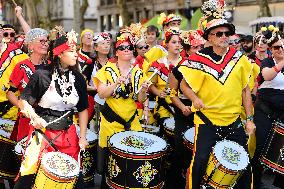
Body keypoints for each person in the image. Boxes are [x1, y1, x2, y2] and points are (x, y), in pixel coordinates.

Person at [179, 1, 255, 188]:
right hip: (207, 121)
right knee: (199, 163)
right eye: (219, 33)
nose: (224, 37)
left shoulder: (240, 59)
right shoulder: (197, 60)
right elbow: (183, 86)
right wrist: (195, 98)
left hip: (234, 121)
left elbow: (246, 91)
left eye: (227, 33)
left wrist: (250, 119)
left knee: (244, 165)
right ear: (209, 37)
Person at [13, 30, 89, 189]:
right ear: (60, 54)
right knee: (28, 178)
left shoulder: (78, 79)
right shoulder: (42, 75)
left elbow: (82, 109)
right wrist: (34, 117)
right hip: (42, 135)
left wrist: (82, 136)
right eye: (72, 51)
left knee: (74, 179)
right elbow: (23, 101)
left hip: (68, 135)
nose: (77, 54)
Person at [93, 35, 149, 189]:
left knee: (133, 164)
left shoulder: (138, 71)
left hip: (132, 122)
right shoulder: (106, 70)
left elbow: (140, 98)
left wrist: (144, 90)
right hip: (112, 123)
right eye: (122, 48)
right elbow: (102, 93)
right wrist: (116, 84)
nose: (126, 50)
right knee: (111, 167)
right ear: (116, 52)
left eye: (129, 48)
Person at [252, 27, 284, 189]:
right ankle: (255, 182)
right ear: (271, 50)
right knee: (260, 148)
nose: (280, 50)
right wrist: (282, 62)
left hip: (281, 115)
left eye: (282, 46)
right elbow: (267, 76)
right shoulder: (268, 62)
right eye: (277, 47)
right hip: (264, 113)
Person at [8, 28, 49, 142]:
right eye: (41, 41)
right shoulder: (21, 66)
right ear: (30, 46)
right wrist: (23, 107)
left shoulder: (52, 66)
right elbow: (10, 92)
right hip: (27, 119)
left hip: (49, 118)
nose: (45, 44)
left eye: (46, 41)